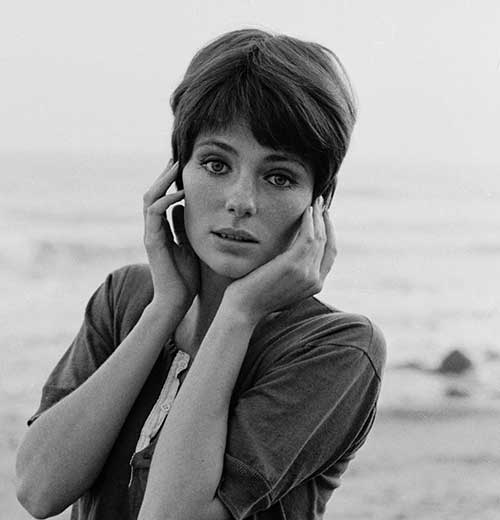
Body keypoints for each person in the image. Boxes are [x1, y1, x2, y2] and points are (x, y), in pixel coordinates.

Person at [15, 28, 386, 520]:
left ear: (318, 202)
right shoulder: (125, 298)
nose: (240, 200)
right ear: (177, 173)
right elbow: (37, 490)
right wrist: (164, 309)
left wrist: (238, 312)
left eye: (279, 177)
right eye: (215, 164)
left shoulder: (336, 349)